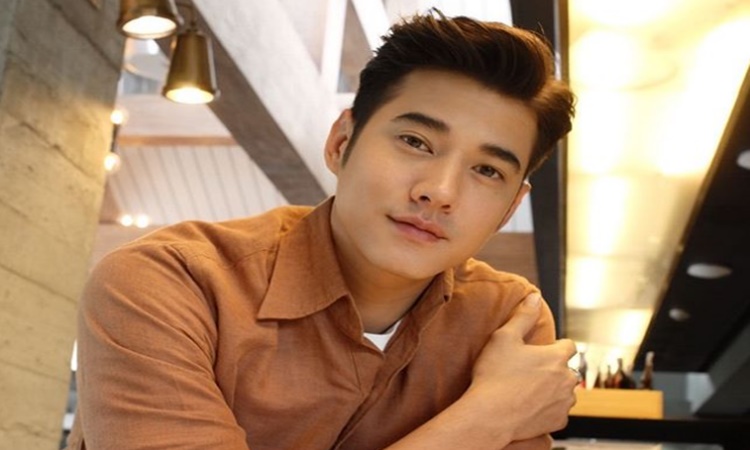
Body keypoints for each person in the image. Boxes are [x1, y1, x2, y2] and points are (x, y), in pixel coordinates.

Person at [67, 9, 577, 450]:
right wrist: (486, 418)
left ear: (510, 209)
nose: (439, 191)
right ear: (341, 143)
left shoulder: (508, 321)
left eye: (487, 170)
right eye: (415, 142)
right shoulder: (170, 284)